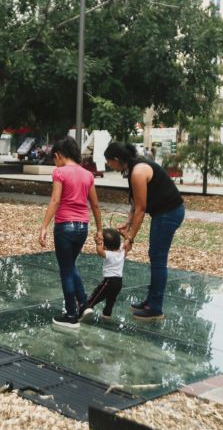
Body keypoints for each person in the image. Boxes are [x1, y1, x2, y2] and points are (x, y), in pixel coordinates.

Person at [104, 142, 184, 321]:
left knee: (158, 257)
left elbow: (141, 208)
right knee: (155, 256)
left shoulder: (138, 171)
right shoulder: (134, 167)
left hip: (169, 213)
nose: (109, 165)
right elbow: (135, 203)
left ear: (116, 159)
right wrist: (128, 223)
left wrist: (130, 238)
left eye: (109, 162)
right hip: (163, 213)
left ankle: (155, 308)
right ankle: (151, 301)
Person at [39, 137, 103, 329]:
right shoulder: (87, 174)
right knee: (70, 264)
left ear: (58, 156)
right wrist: (99, 228)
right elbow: (95, 204)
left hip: (64, 226)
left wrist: (44, 226)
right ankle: (83, 303)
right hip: (82, 227)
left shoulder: (60, 172)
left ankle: (71, 315)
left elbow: (55, 201)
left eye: (54, 159)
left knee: (66, 270)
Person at [80, 228, 124, 321]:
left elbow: (100, 252)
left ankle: (86, 309)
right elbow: (129, 244)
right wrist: (123, 234)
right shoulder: (122, 250)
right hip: (119, 282)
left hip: (109, 281)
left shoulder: (109, 254)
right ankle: (107, 315)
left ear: (106, 246)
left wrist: (98, 243)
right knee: (111, 299)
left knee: (96, 295)